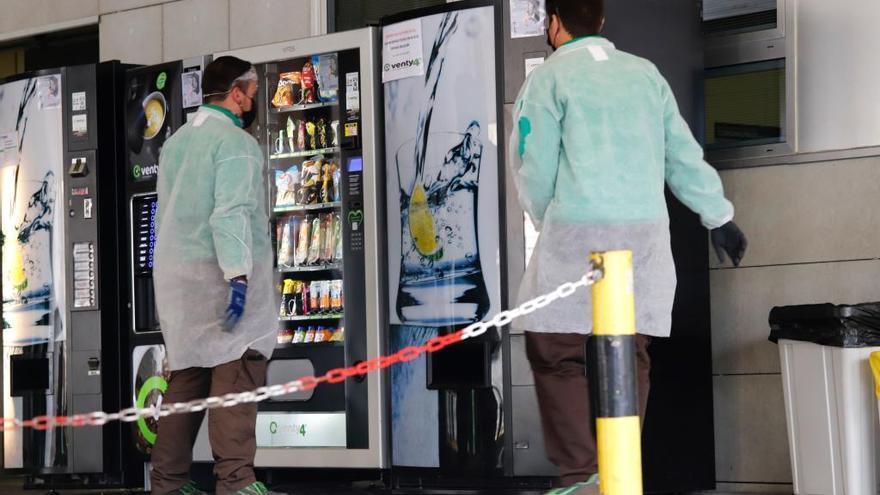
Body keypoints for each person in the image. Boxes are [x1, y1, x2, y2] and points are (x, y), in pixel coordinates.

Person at [508, 0, 748, 491]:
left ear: (553, 23)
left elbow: (532, 162)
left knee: (556, 347)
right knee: (628, 344)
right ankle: (620, 467)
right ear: (600, 22)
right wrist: (718, 216)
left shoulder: (549, 79)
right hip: (643, 236)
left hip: (576, 230)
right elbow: (680, 153)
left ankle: (583, 475)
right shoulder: (645, 75)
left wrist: (541, 216)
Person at [151, 56, 279, 495]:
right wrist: (238, 278)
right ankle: (237, 484)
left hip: (180, 292)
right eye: (252, 94)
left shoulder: (176, 142)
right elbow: (231, 216)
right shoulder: (238, 144)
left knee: (184, 384)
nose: (252, 103)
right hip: (223, 286)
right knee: (234, 383)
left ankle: (166, 485)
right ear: (236, 92)